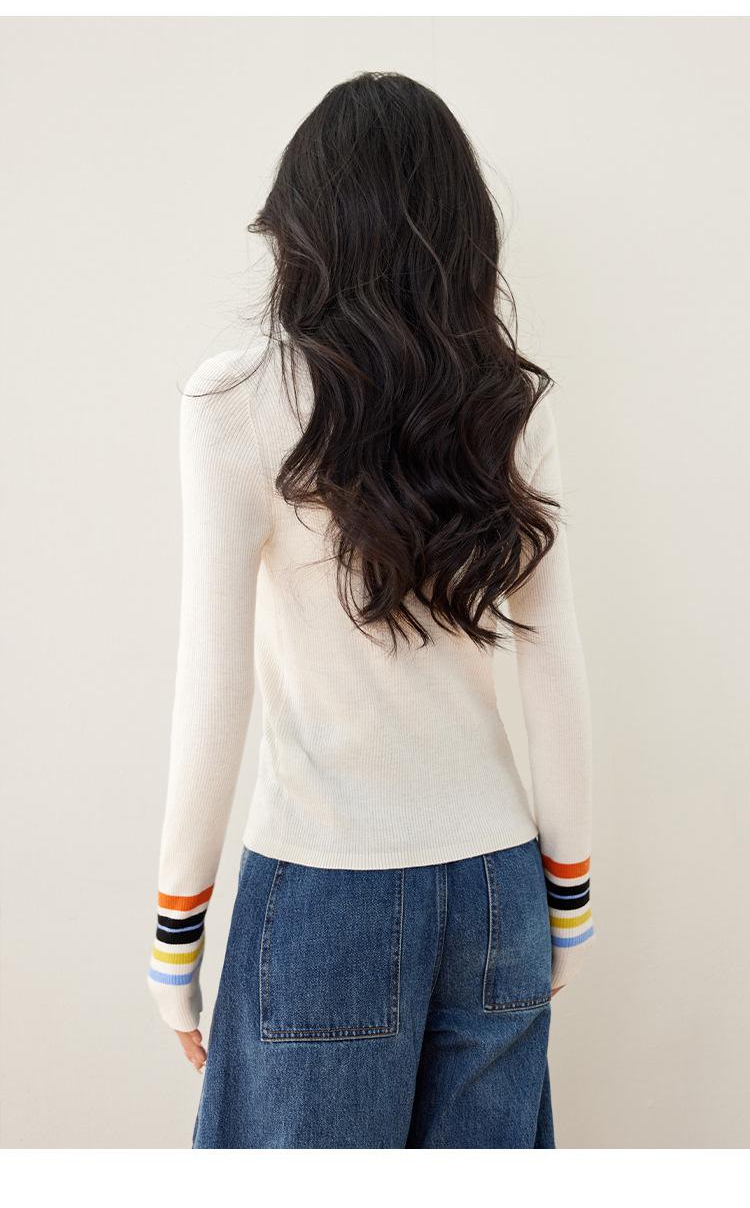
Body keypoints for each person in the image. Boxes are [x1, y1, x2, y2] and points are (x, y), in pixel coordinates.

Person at [147, 71, 595, 1149]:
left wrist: (176, 935)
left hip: (323, 894)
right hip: (499, 891)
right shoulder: (504, 404)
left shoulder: (237, 401)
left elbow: (214, 684)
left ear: (305, 224)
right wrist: (568, 899)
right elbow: (554, 661)